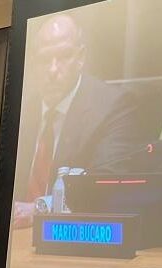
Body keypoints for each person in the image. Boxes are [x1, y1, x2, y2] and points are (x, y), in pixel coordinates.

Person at [12, 13, 142, 228]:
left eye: (64, 56)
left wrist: (38, 208)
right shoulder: (23, 108)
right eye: (44, 59)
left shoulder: (113, 106)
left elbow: (106, 184)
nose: (53, 69)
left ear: (80, 57)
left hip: (74, 233)